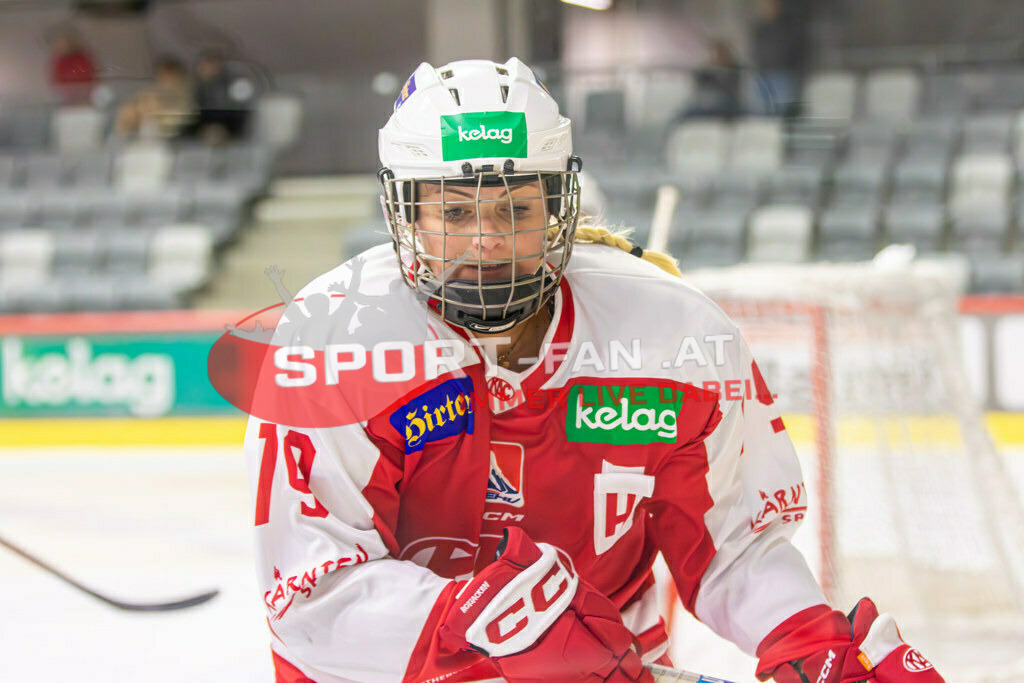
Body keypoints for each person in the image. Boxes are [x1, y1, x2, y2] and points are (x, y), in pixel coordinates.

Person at [243, 58, 944, 682]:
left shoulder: (675, 337)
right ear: (406, 212)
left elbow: (734, 548)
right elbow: (308, 601)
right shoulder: (334, 344)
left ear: (558, 207)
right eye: (455, 211)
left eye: (515, 208)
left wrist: (802, 633)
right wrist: (480, 622)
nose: (485, 240)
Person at [114, 55, 195, 140]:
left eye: (168, 74)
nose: (164, 78)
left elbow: (180, 114)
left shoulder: (184, 93)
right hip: (148, 133)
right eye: (162, 75)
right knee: (129, 109)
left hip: (171, 134)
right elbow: (135, 103)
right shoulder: (153, 91)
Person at [48, 28, 97, 104]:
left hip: (85, 96)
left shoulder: (82, 58)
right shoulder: (60, 61)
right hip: (67, 98)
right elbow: (57, 80)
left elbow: (90, 75)